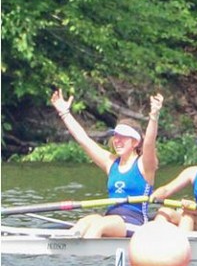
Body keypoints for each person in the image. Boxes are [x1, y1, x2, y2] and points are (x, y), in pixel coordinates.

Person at [50, 88, 163, 238]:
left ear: (135, 142)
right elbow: (83, 139)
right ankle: (66, 254)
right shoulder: (111, 162)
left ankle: (91, 260)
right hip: (111, 219)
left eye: (123, 137)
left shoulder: (144, 165)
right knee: (85, 221)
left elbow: (149, 142)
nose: (117, 141)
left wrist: (154, 116)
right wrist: (64, 113)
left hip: (134, 223)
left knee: (99, 224)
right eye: (116, 136)